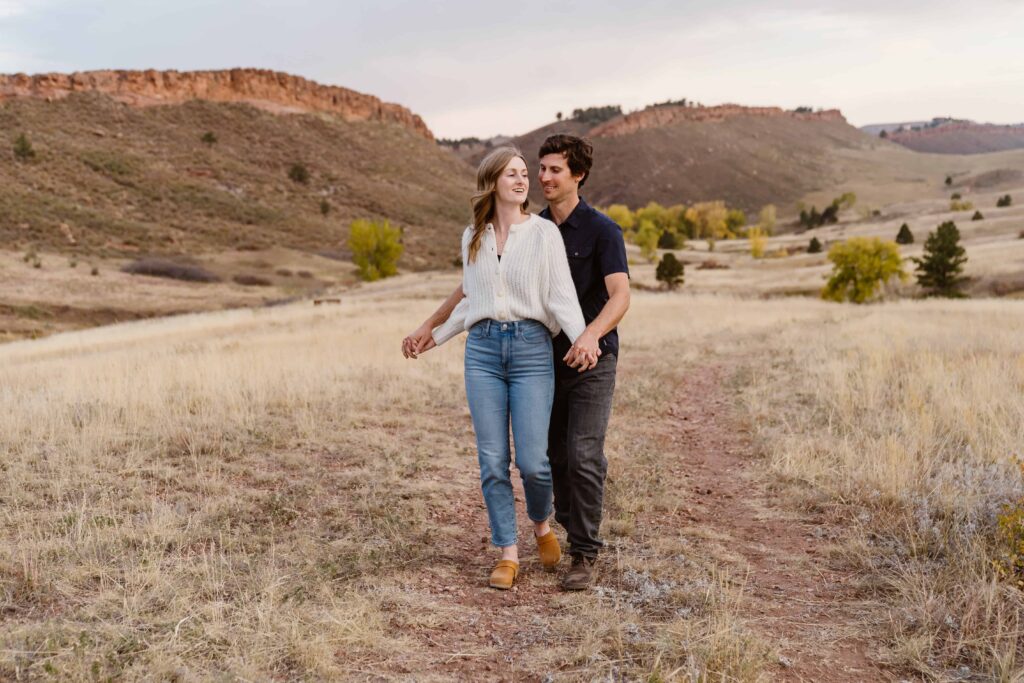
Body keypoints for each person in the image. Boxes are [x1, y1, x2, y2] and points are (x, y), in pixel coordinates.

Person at [404, 135, 630, 591]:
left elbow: (591, 297)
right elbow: (476, 293)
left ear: (576, 175)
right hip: (509, 351)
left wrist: (590, 340)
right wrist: (434, 330)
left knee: (558, 459)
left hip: (564, 351)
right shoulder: (480, 236)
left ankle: (568, 540)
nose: (537, 178)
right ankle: (515, 548)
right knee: (514, 459)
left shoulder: (586, 231)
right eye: (530, 171)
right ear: (492, 182)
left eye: (547, 171)